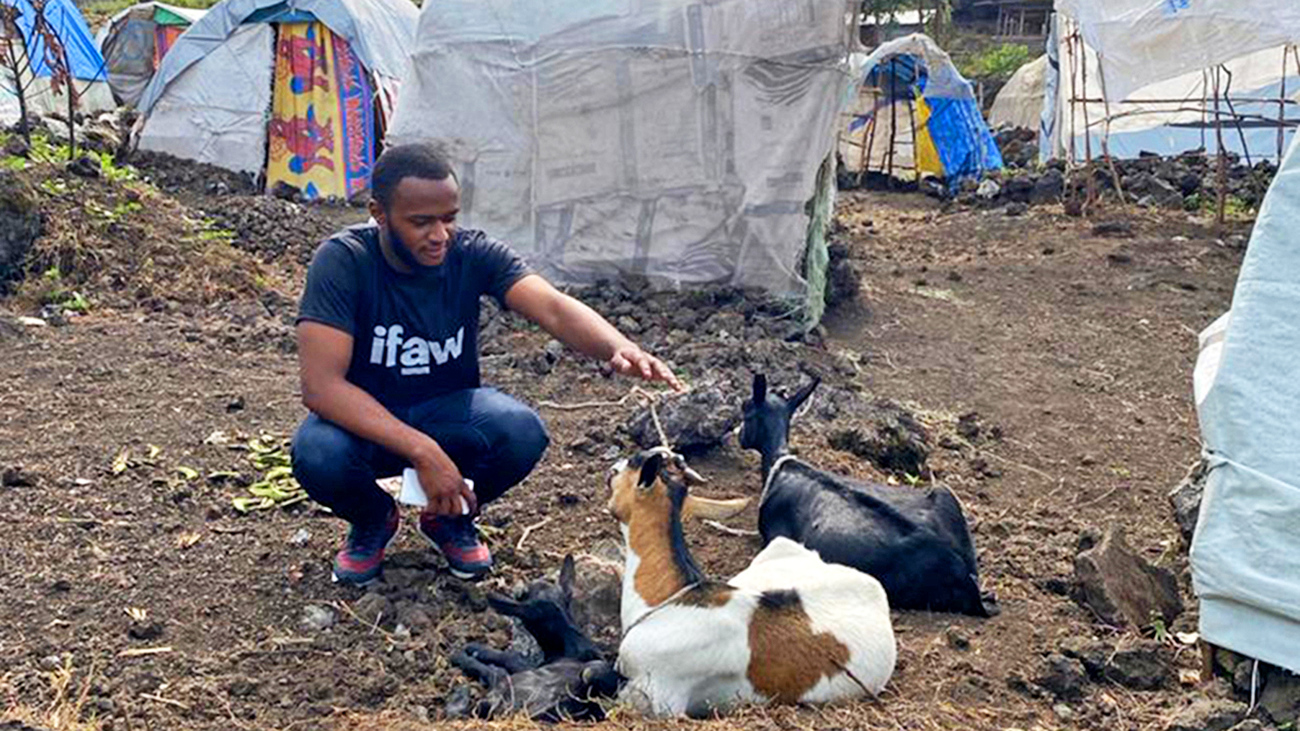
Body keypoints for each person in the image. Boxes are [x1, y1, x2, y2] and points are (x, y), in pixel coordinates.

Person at [291, 143, 682, 586]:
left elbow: (552, 307)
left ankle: (450, 519)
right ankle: (373, 519)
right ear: (379, 214)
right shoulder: (345, 262)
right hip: (366, 423)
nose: (440, 234)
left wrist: (618, 346)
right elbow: (321, 388)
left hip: (448, 412)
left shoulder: (472, 254)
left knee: (520, 432)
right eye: (421, 222)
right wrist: (423, 450)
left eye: (449, 218)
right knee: (317, 453)